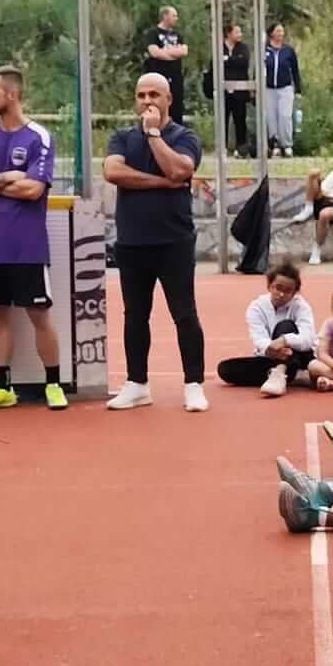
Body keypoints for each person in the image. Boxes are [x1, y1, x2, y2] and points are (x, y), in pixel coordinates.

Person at [105, 72, 209, 413]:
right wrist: (161, 183)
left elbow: (179, 170)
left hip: (174, 241)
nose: (147, 101)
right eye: (141, 95)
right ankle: (137, 384)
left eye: (154, 94)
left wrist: (153, 135)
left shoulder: (185, 136)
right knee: (135, 315)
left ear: (168, 100)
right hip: (132, 241)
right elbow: (113, 173)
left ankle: (193, 384)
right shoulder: (122, 137)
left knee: (184, 313)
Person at [0, 64, 65, 411]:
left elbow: (33, 190)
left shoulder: (39, 137)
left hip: (27, 245)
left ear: (12, 94)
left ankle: (54, 384)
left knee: (39, 314)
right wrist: (9, 176)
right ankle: (2, 387)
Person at [219, 263, 317, 394]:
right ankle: (294, 374)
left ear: (294, 293)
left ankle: (279, 373)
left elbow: (308, 339)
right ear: (269, 286)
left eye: (287, 291)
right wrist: (270, 349)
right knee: (225, 369)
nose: (281, 294)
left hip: (299, 355)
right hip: (270, 356)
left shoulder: (301, 306)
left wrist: (284, 340)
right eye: (278, 288)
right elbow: (258, 337)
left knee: (286, 325)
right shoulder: (256, 307)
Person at [146, 6, 190, 123]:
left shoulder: (178, 35)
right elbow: (154, 52)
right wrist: (173, 54)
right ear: (165, 16)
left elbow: (184, 51)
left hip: (176, 78)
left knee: (176, 108)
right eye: (174, 15)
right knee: (158, 107)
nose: (176, 18)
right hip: (158, 78)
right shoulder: (153, 33)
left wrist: (164, 52)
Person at [264, 22, 303, 154]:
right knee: (271, 117)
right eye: (278, 31)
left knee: (285, 116)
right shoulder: (265, 50)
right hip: (269, 89)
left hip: (285, 88)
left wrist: (298, 89)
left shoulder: (288, 51)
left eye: (282, 31)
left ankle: (286, 144)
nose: (281, 34)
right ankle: (274, 143)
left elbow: (295, 70)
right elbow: (258, 68)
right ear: (272, 33)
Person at [218, 23, 253, 157]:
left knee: (240, 120)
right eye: (237, 32)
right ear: (229, 33)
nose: (240, 34)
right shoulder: (220, 47)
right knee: (223, 120)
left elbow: (243, 62)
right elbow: (216, 63)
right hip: (224, 91)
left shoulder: (243, 48)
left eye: (240, 32)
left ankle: (241, 148)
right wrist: (230, 60)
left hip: (240, 91)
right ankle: (223, 148)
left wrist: (227, 59)